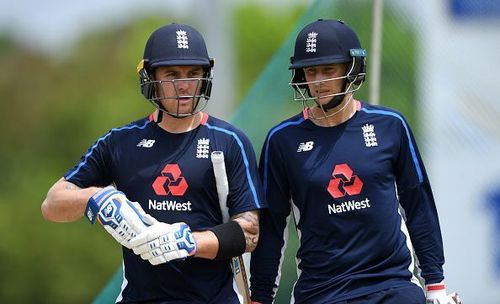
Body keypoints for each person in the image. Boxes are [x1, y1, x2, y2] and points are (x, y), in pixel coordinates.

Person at [41, 23, 265, 304]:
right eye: (172, 75)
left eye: (193, 74)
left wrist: (186, 243)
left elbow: (249, 233)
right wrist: (96, 197)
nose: (184, 85)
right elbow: (52, 204)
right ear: (150, 77)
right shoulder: (120, 142)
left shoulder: (230, 141)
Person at [249, 19, 461, 304]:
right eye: (311, 71)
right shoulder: (282, 140)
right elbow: (272, 228)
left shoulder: (390, 125)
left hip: (392, 284)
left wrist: (435, 286)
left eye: (329, 70)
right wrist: (260, 298)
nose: (319, 81)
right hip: (321, 292)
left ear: (351, 69)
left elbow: (418, 206)